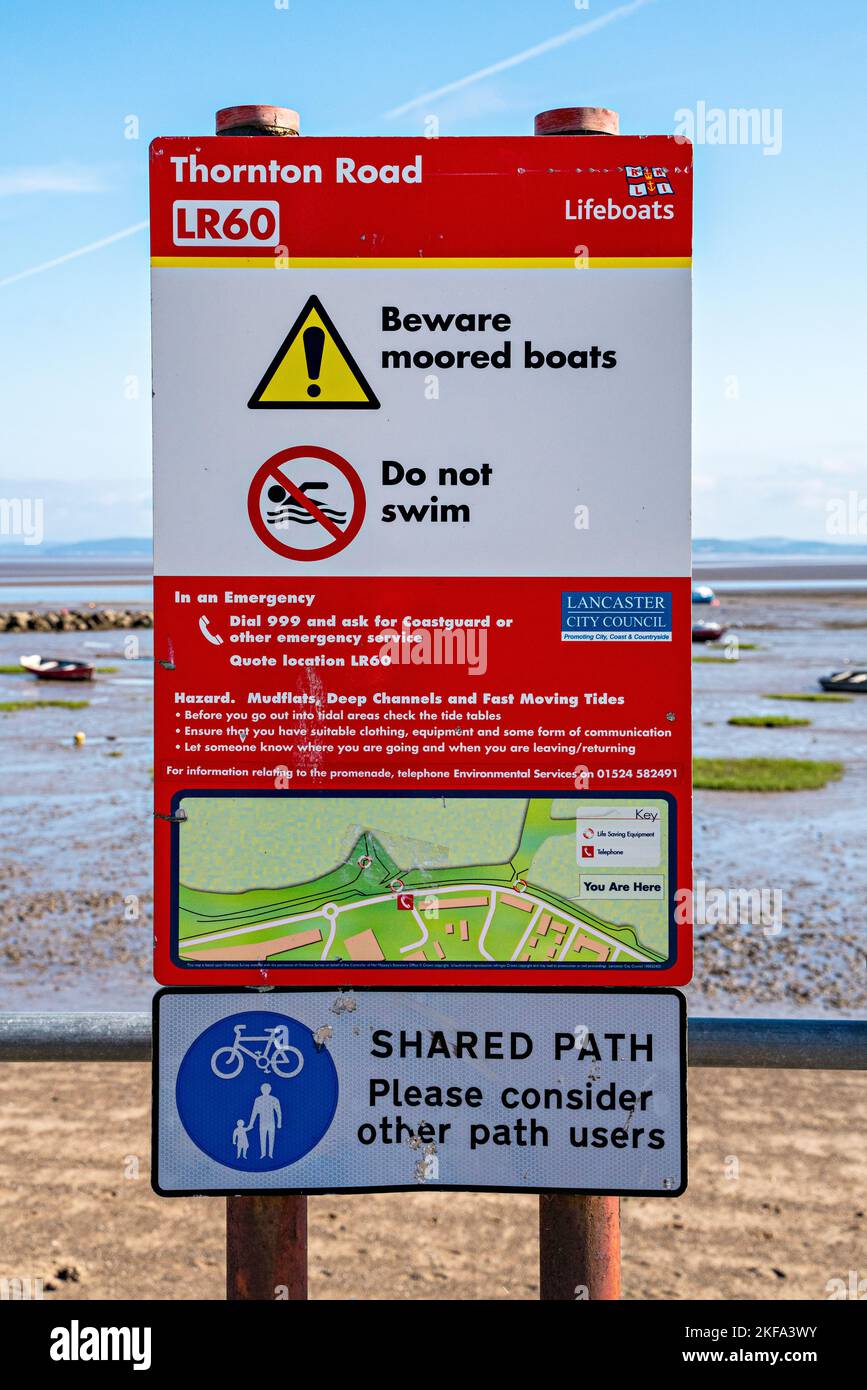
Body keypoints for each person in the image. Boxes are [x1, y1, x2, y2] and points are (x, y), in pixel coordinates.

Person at [247, 1083, 282, 1159]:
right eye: (264, 1089)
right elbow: (254, 1112)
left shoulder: (274, 1099)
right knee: (262, 1138)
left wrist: (279, 1123)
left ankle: (270, 1154)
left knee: (271, 1138)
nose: (265, 1090)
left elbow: (278, 1112)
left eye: (267, 1089)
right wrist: (251, 1124)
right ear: (261, 1090)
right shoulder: (258, 1100)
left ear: (270, 1090)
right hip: (262, 1122)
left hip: (271, 1122)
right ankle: (263, 1154)